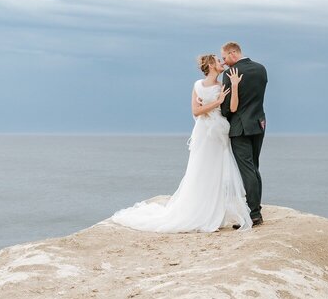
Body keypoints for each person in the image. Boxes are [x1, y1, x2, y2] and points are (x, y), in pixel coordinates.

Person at [110, 54, 253, 232]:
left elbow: (230, 108)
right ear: (210, 65)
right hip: (203, 133)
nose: (222, 62)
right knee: (199, 168)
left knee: (217, 171)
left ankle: (214, 211)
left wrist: (233, 88)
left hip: (218, 133)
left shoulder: (222, 85)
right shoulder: (197, 85)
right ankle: (199, 212)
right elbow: (196, 110)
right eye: (218, 60)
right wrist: (216, 102)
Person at [220, 42, 267, 226]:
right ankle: (257, 212)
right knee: (254, 168)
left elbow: (227, 109)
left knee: (247, 170)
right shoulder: (261, 69)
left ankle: (253, 215)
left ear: (233, 53)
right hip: (258, 124)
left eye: (224, 57)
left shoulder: (231, 74)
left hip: (240, 127)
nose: (224, 62)